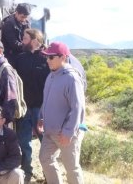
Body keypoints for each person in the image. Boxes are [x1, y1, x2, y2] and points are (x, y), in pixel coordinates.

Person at [38, 42, 86, 184]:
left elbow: (78, 108)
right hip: (50, 131)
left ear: (63, 57)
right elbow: (46, 99)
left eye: (51, 57)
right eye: (47, 57)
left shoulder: (72, 78)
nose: (47, 60)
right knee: (45, 158)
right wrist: (41, 116)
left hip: (65, 133)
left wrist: (69, 132)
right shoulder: (51, 75)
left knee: (72, 168)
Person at [15, 29, 50, 183]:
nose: (22, 40)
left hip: (41, 108)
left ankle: (49, 173)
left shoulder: (46, 59)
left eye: (25, 38)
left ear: (35, 40)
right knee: (24, 141)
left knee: (46, 142)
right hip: (24, 108)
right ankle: (26, 171)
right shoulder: (20, 58)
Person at [0, 3, 32, 68]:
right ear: (16, 13)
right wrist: (29, 47)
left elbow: (31, 37)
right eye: (22, 17)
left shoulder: (26, 23)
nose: (24, 19)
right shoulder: (8, 23)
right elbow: (14, 43)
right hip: (10, 55)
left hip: (22, 53)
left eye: (26, 17)